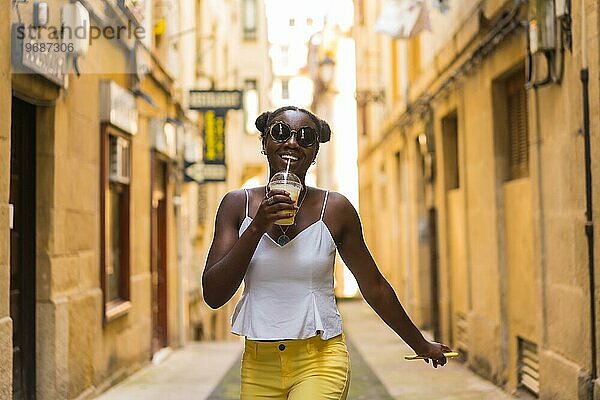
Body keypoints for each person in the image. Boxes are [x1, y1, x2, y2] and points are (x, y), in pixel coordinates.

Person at [202, 106, 453, 399]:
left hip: (320, 359)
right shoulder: (237, 205)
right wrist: (258, 226)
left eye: (306, 137)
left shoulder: (335, 209)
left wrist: (419, 344)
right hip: (259, 364)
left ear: (315, 151)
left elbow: (374, 286)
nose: (293, 142)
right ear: (265, 142)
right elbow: (214, 294)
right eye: (281, 132)